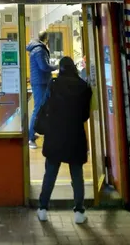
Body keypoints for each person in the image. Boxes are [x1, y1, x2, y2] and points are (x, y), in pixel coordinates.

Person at [37, 56, 92, 225]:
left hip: (55, 135)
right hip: (75, 135)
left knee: (51, 173)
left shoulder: (53, 85)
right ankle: (79, 211)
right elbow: (85, 115)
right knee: (77, 174)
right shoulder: (84, 87)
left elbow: (45, 106)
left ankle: (43, 209)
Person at [27, 30, 58, 149]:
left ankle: (34, 134)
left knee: (43, 108)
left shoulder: (37, 48)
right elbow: (44, 66)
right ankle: (30, 137)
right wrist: (56, 66)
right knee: (38, 109)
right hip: (40, 82)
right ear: (46, 38)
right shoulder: (39, 50)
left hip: (42, 81)